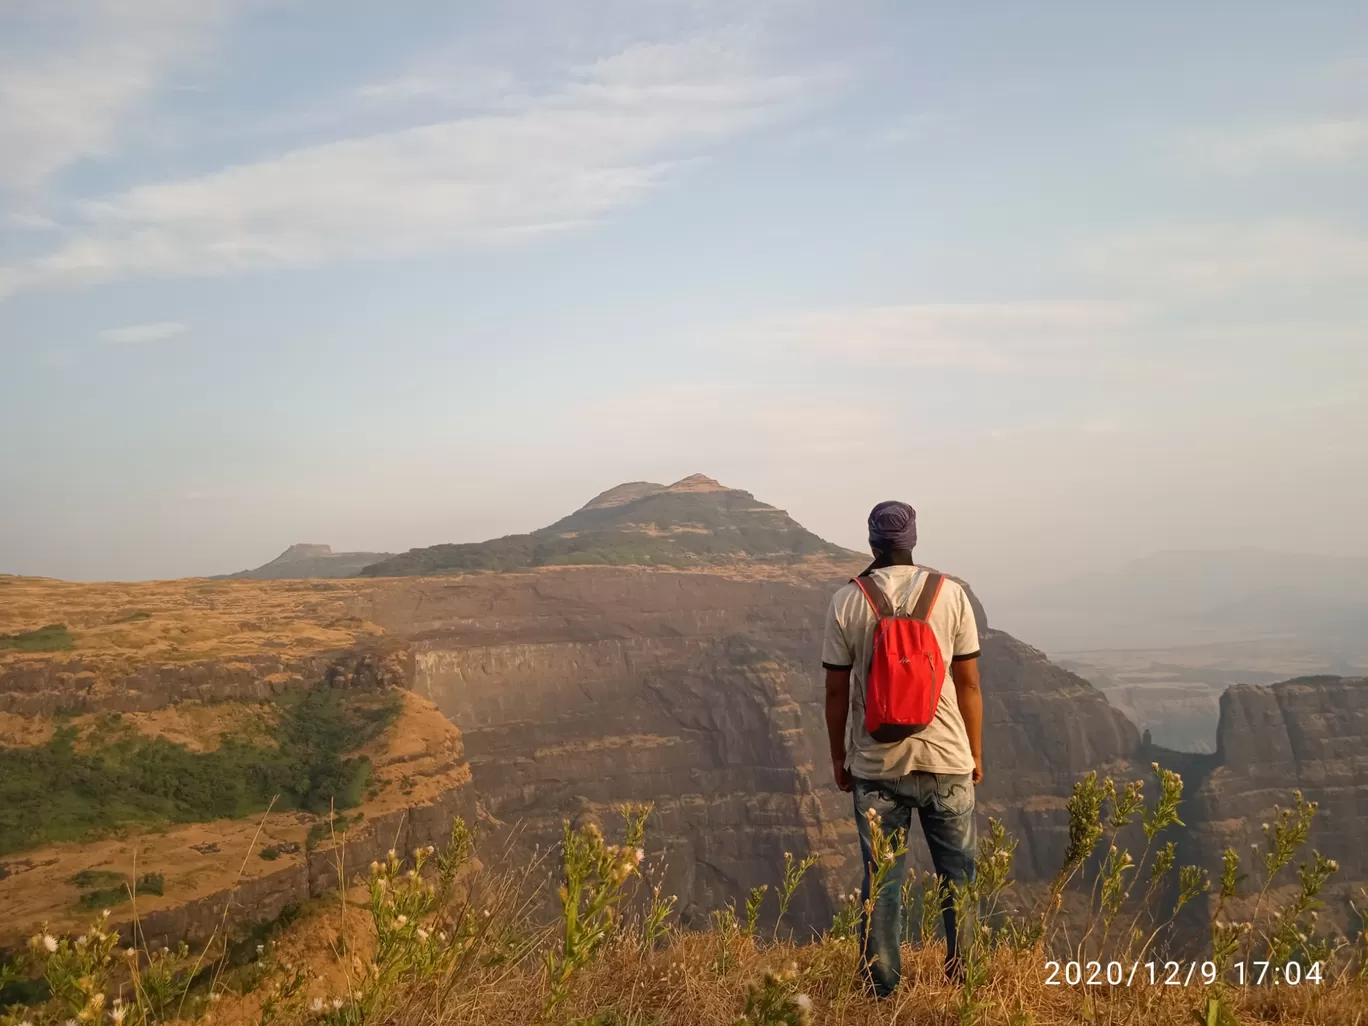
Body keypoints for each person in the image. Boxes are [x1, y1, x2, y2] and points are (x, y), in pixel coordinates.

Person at [821, 499, 983, 996]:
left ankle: (880, 990)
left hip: (876, 765)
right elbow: (970, 683)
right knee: (959, 880)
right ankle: (965, 985)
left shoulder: (847, 601)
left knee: (883, 883)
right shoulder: (950, 594)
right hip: (947, 761)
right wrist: (975, 754)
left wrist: (839, 757)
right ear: (913, 540)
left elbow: (835, 692)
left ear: (871, 542)